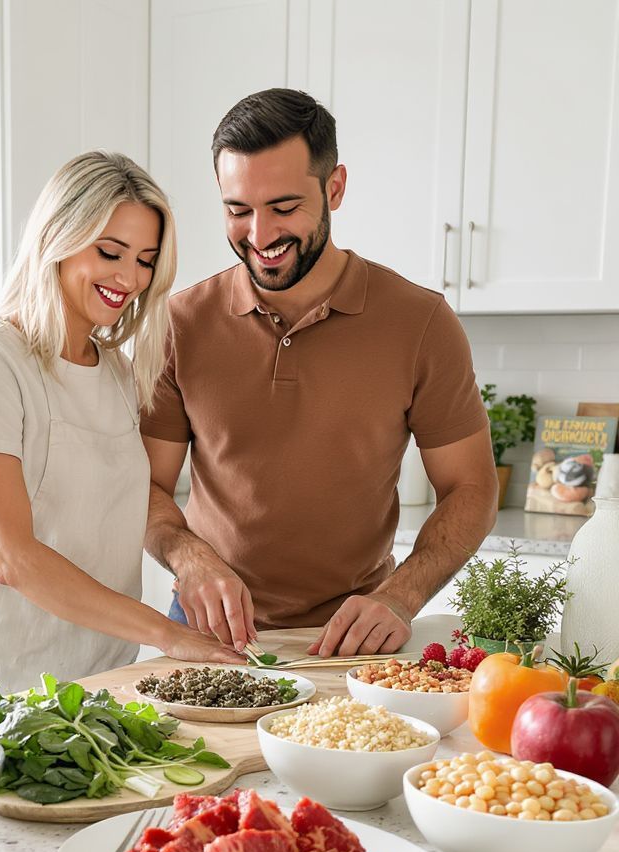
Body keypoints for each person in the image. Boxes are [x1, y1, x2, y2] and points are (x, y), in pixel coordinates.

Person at [140, 88, 498, 659]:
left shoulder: (421, 322)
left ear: (335, 188)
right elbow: (146, 486)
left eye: (284, 208)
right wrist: (188, 556)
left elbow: (471, 487)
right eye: (238, 210)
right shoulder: (178, 325)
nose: (260, 236)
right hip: (208, 629)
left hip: (353, 636)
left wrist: (400, 596)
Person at [0, 151, 242, 702]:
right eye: (109, 252)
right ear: (58, 237)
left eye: (145, 260)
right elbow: (13, 559)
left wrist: (194, 557)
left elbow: (125, 504)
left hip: (98, 680)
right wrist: (168, 634)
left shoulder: (119, 372)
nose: (130, 278)